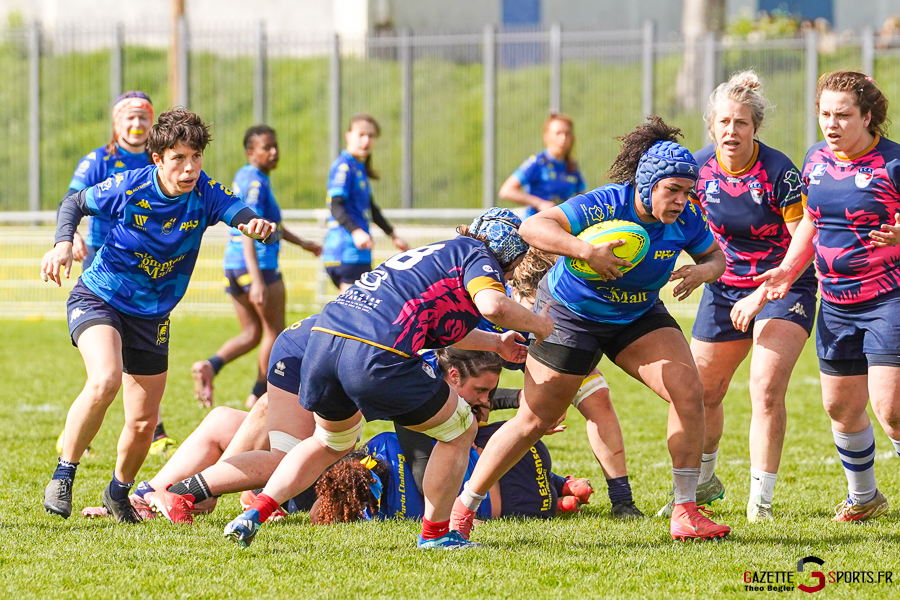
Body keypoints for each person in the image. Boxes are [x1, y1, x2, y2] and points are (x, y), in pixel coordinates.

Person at [451, 116, 733, 542]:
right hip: (571, 314)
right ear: (646, 184)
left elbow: (716, 258)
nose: (680, 200)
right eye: (672, 190)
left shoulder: (687, 217)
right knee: (534, 420)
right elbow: (533, 227)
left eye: (686, 191)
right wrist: (587, 251)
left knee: (688, 390)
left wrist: (702, 272)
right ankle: (463, 508)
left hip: (638, 314)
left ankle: (686, 510)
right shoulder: (605, 202)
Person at [223, 207, 555, 550]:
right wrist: (540, 325)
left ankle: (257, 512)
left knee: (330, 442)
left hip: (323, 342)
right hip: (373, 351)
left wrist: (496, 343)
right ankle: (437, 534)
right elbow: (493, 306)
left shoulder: (437, 255)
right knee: (461, 427)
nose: (516, 269)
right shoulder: (478, 254)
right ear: (509, 248)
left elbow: (443, 331)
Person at [40, 107, 277, 523]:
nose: (189, 169)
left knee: (144, 423)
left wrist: (251, 224)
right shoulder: (130, 187)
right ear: (158, 160)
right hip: (101, 297)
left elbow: (236, 209)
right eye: (179, 159)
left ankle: (118, 491)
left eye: (196, 158)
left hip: (151, 316)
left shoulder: (203, 192)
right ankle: (64, 473)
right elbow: (75, 202)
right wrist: (63, 243)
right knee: (105, 379)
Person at [743, 71, 900, 522]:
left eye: (844, 115)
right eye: (825, 114)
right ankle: (864, 496)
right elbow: (812, 219)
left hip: (887, 299)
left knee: (891, 408)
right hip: (834, 302)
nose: (831, 124)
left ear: (868, 116)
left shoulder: (892, 163)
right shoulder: (814, 160)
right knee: (840, 406)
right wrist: (788, 270)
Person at [683, 70, 815, 522]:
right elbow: (688, 229)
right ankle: (702, 486)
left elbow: (804, 243)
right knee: (702, 393)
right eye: (723, 122)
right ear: (711, 125)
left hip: (784, 283)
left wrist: (765, 291)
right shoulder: (697, 170)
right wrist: (699, 270)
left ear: (755, 127)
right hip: (725, 287)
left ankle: (760, 502)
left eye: (740, 123)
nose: (731, 132)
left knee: (765, 389)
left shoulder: (780, 173)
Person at [56, 91, 175, 457]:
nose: (137, 124)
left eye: (143, 118)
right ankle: (83, 436)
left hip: (147, 272)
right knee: (106, 358)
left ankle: (150, 431)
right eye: (130, 117)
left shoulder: (161, 162)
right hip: (104, 267)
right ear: (116, 123)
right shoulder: (98, 160)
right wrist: (70, 236)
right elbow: (73, 199)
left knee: (135, 355)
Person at [493, 247, 644, 518]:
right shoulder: (490, 312)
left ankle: (623, 501)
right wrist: (523, 400)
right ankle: (468, 501)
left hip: (555, 354)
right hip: (482, 366)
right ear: (514, 291)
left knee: (599, 400)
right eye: (537, 308)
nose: (546, 319)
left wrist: (557, 392)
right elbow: (470, 384)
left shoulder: (565, 306)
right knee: (490, 414)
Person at [191, 124, 322, 408]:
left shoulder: (250, 176)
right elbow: (247, 228)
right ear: (251, 152)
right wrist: (257, 279)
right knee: (276, 333)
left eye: (276, 146)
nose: (274, 152)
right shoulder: (255, 182)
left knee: (251, 334)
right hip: (258, 267)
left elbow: (271, 226)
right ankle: (259, 395)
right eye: (267, 147)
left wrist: (304, 244)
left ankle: (211, 366)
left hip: (233, 266)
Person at [322, 114, 408, 292]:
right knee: (354, 315)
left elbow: (371, 208)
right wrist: (356, 231)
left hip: (356, 254)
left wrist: (393, 235)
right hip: (347, 252)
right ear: (348, 136)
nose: (366, 140)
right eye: (361, 134)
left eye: (371, 136)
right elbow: (335, 204)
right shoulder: (344, 166)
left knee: (354, 313)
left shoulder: (358, 166)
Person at [499, 112, 586, 219]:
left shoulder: (572, 166)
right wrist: (539, 203)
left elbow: (582, 196)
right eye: (558, 133)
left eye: (567, 133)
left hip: (563, 224)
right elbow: (506, 191)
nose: (563, 138)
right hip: (536, 224)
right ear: (546, 136)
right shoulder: (537, 162)